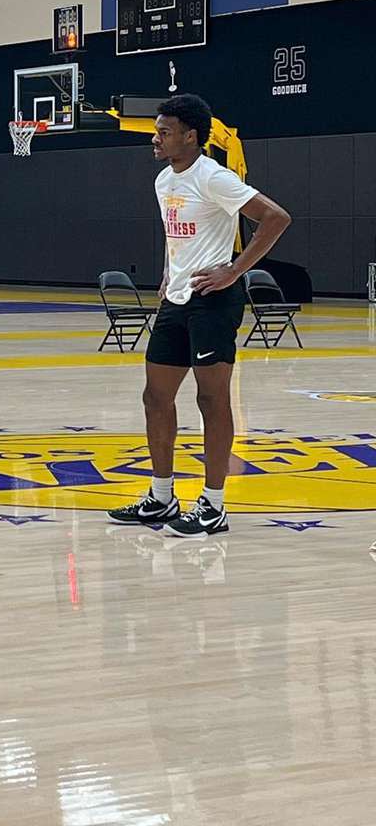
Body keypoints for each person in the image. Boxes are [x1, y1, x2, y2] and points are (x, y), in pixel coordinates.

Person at [107, 94, 291, 538]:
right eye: (157, 129)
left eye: (164, 131)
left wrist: (234, 270)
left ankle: (213, 504)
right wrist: (170, 272)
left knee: (211, 400)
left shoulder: (214, 177)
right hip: (177, 299)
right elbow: (177, 235)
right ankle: (162, 496)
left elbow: (275, 218)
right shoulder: (162, 181)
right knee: (155, 397)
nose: (155, 138)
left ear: (190, 136)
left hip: (214, 301)